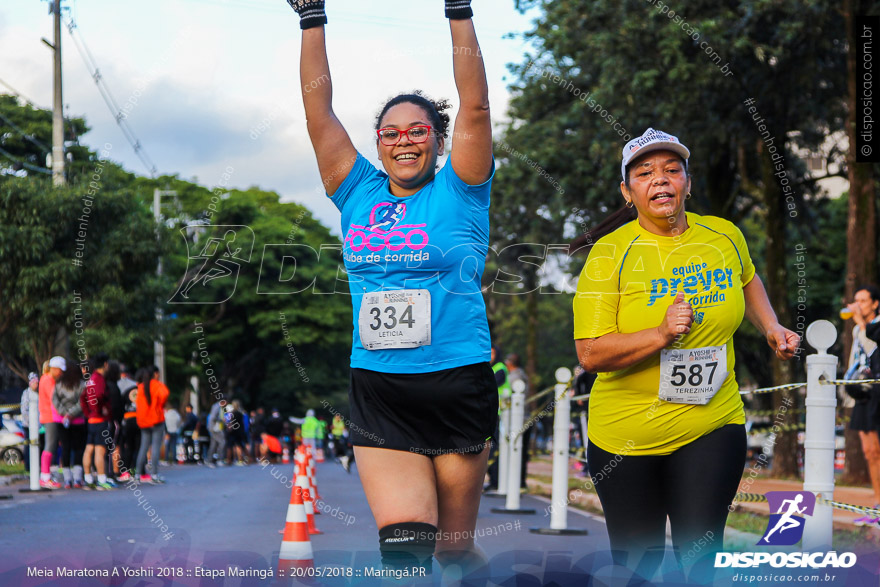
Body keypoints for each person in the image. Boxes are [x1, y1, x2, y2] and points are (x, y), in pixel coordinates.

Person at [290, 0, 497, 574]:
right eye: (390, 133)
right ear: (377, 143)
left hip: (457, 381)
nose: (404, 141)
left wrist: (459, 11)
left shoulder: (461, 188)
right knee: (404, 545)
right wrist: (312, 19)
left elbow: (476, 106)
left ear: (437, 140)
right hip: (381, 387)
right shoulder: (356, 190)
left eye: (418, 131)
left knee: (452, 549)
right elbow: (317, 112)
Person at [573, 128, 800, 575]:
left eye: (672, 170)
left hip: (711, 422)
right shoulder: (608, 255)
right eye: (645, 173)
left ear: (688, 184)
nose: (661, 180)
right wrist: (659, 334)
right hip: (626, 437)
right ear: (627, 191)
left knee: (700, 560)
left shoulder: (725, 236)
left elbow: (747, 278)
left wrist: (771, 326)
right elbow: (591, 354)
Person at [841, 285, 880, 526]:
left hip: (878, 390)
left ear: (875, 303)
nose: (858, 305)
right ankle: (877, 506)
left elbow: (873, 349)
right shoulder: (858, 329)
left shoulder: (873, 327)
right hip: (863, 393)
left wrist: (860, 322)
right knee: (870, 452)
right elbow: (855, 360)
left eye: (863, 301)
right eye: (856, 301)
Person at [80, 353, 115, 490]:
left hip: (91, 420)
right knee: (100, 451)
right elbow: (99, 396)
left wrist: (88, 413)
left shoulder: (90, 379)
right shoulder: (99, 379)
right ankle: (101, 479)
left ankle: (88, 478)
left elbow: (83, 398)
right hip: (100, 420)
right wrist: (101, 409)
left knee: (89, 449)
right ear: (105, 364)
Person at [52, 360, 87, 489]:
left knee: (65, 448)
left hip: (62, 421)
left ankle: (67, 480)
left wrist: (64, 413)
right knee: (78, 449)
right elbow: (82, 402)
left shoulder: (59, 384)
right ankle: (77, 478)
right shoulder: (81, 384)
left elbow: (54, 400)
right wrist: (72, 413)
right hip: (78, 421)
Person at [135, 366, 169, 483]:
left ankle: (137, 475)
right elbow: (165, 394)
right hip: (156, 420)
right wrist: (160, 405)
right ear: (155, 374)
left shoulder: (141, 387)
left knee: (143, 448)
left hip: (144, 421)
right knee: (155, 447)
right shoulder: (158, 385)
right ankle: (154, 474)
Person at [38, 357, 65, 489]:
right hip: (51, 417)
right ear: (54, 368)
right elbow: (53, 399)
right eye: (60, 370)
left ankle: (45, 475)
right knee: (50, 446)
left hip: (51, 416)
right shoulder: (48, 380)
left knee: (52, 446)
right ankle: (45, 477)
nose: (61, 373)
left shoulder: (47, 379)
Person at [505, 353, 531, 489]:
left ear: (509, 363)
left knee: (517, 450)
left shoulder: (514, 377)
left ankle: (517, 482)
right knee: (522, 450)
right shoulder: (523, 374)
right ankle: (520, 482)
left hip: (518, 419)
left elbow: (509, 397)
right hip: (526, 417)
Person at [486, 346, 510, 491]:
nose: (490, 356)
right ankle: (494, 480)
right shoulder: (490, 368)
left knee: (495, 447)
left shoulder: (500, 368)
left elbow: (490, 385)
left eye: (493, 353)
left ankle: (497, 481)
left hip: (500, 414)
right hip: (492, 412)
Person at [117, 366, 139, 481]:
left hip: (125, 419)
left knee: (125, 446)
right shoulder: (136, 385)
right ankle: (136, 469)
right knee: (137, 446)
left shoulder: (118, 385)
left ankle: (123, 470)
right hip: (138, 419)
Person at [104, 361, 125, 480]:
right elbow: (117, 406)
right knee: (114, 446)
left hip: (103, 420)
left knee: (104, 447)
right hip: (113, 421)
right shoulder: (114, 387)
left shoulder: (105, 384)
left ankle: (105, 472)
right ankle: (113, 472)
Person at [20, 372, 39, 472]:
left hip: (39, 426)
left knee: (38, 446)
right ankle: (28, 467)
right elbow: (24, 410)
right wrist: (31, 423)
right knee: (28, 446)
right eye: (34, 382)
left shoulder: (38, 393)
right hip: (28, 425)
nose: (36, 384)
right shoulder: (26, 393)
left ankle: (37, 467)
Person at [206, 399, 226, 467]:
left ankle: (209, 460)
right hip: (215, 428)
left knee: (213, 445)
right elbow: (213, 417)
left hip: (215, 428)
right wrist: (221, 420)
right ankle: (219, 460)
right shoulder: (217, 407)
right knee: (222, 442)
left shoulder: (216, 406)